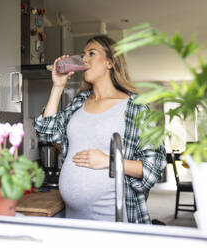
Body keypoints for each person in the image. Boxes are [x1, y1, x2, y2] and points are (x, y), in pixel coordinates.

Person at [33, 35, 167, 224]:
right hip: (74, 218)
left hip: (114, 219)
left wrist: (109, 161)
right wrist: (58, 86)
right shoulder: (79, 102)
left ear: (111, 62)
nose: (84, 59)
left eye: (92, 53)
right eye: (83, 55)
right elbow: (46, 132)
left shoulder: (134, 108)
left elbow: (154, 168)